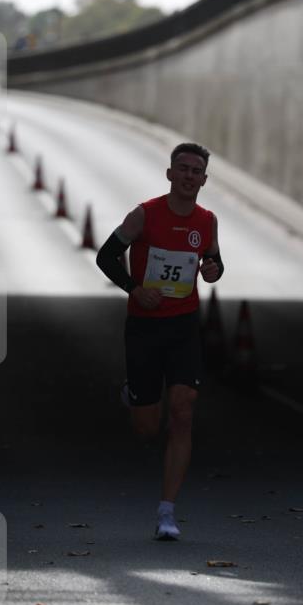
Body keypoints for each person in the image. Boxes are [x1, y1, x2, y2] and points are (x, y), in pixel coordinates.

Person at [96, 142, 224, 540]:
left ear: (204, 179)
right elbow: (105, 256)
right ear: (170, 174)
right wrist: (134, 289)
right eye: (181, 168)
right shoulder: (144, 215)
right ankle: (134, 394)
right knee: (147, 427)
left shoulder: (207, 220)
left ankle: (167, 512)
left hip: (183, 326)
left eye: (196, 171)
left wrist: (213, 269)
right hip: (144, 328)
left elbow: (214, 260)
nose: (188, 176)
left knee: (183, 409)